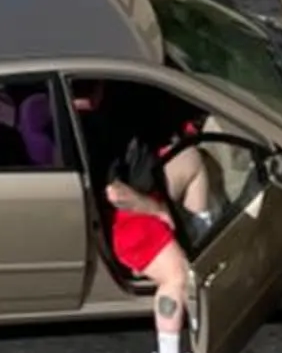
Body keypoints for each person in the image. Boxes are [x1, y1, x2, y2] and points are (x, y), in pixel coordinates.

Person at [105, 138, 200, 353]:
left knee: (191, 159)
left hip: (146, 201)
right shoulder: (101, 126)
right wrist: (159, 210)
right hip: (132, 223)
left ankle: (199, 236)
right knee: (176, 277)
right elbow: (116, 193)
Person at [72, 80, 220, 242]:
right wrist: (159, 211)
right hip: (137, 198)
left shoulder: (74, 116)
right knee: (192, 161)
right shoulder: (87, 130)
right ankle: (200, 234)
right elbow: (114, 193)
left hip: (143, 171)